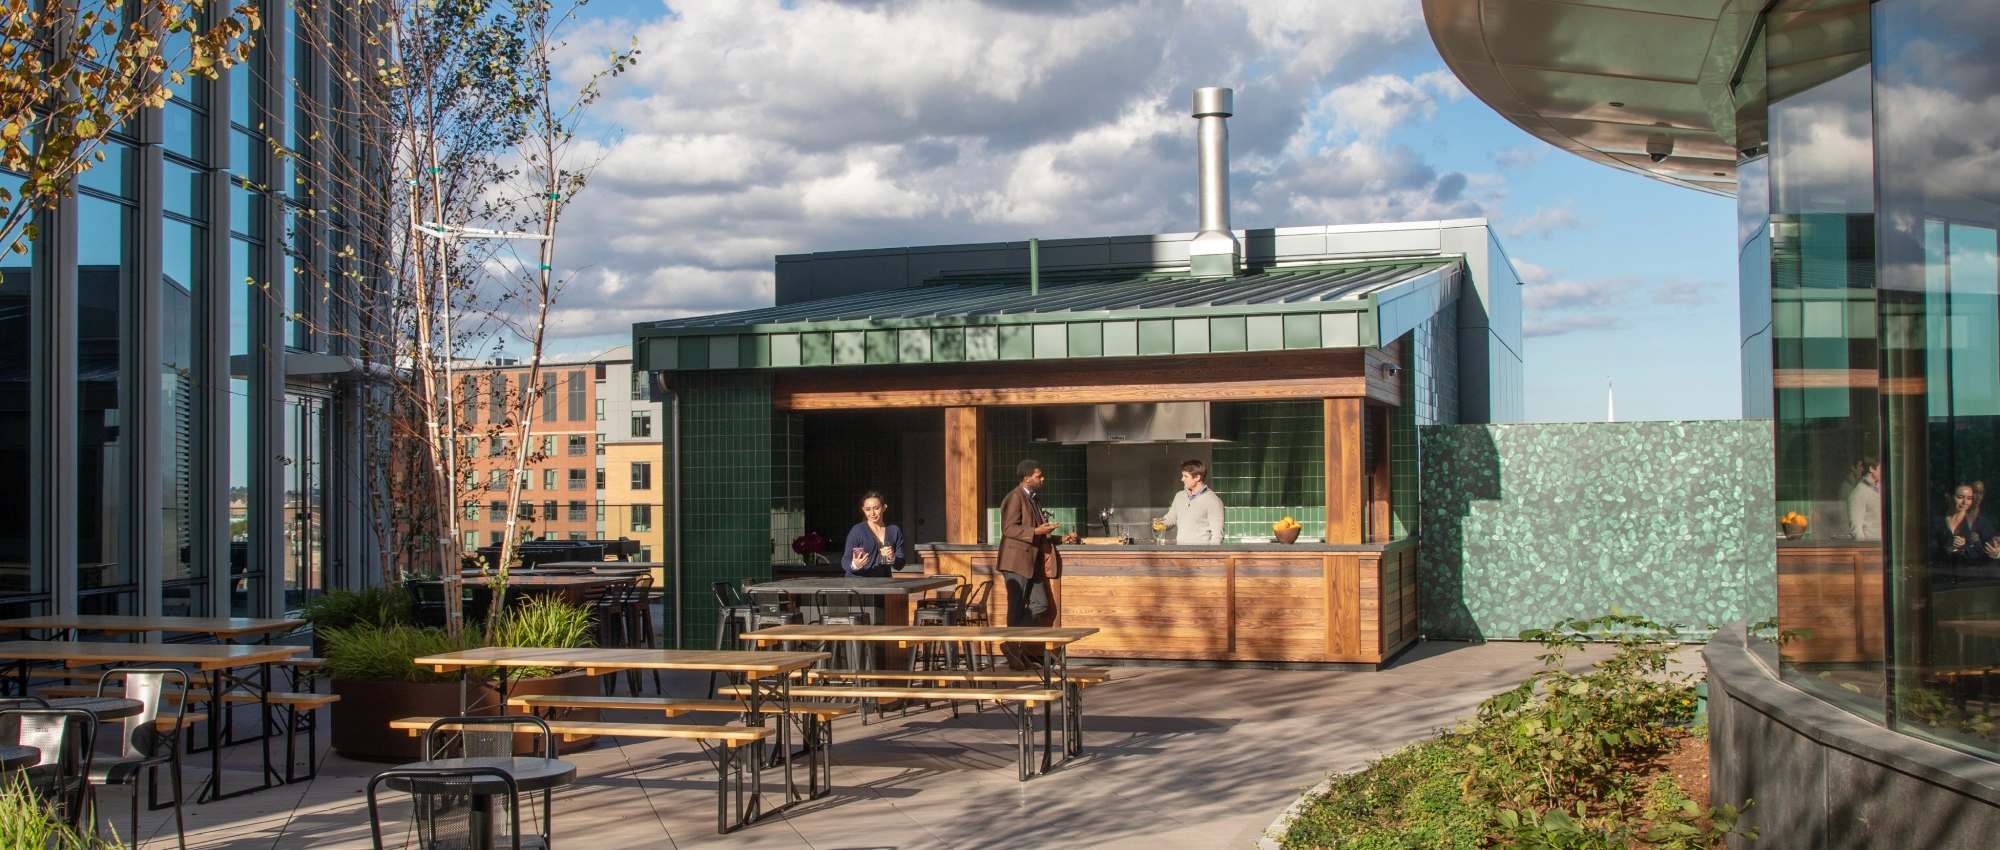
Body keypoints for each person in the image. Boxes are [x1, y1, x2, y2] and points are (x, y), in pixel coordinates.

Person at [997, 459, 1077, 669]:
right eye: (1039, 476)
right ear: (1027, 479)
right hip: (1015, 561)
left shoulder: (1034, 500)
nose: (1043, 479)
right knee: (1016, 607)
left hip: (1032, 562)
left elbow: (1039, 532)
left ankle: (1012, 645)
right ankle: (1016, 652)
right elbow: (1008, 529)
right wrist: (1035, 531)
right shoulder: (1014, 497)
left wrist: (1061, 538)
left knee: (1040, 603)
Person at [1154, 459, 1225, 545]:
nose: (1182, 479)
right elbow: (1171, 518)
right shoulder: (1179, 496)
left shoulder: (1213, 501)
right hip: (1181, 551)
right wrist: (1161, 523)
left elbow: (1217, 535)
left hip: (1201, 552)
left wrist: (1210, 553)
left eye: (1186, 476)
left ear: (1197, 477)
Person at [842, 491, 904, 578]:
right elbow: (845, 560)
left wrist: (893, 557)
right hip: (858, 582)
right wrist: (855, 564)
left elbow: (900, 565)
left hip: (882, 582)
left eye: (876, 508)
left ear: (884, 507)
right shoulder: (857, 530)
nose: (872, 513)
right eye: (868, 509)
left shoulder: (894, 531)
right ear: (863, 509)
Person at [1846, 456, 1881, 540]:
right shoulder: (1858, 494)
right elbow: (1856, 530)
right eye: (1882, 469)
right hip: (1871, 545)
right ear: (1872, 469)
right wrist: (1865, 547)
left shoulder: (1880, 489)